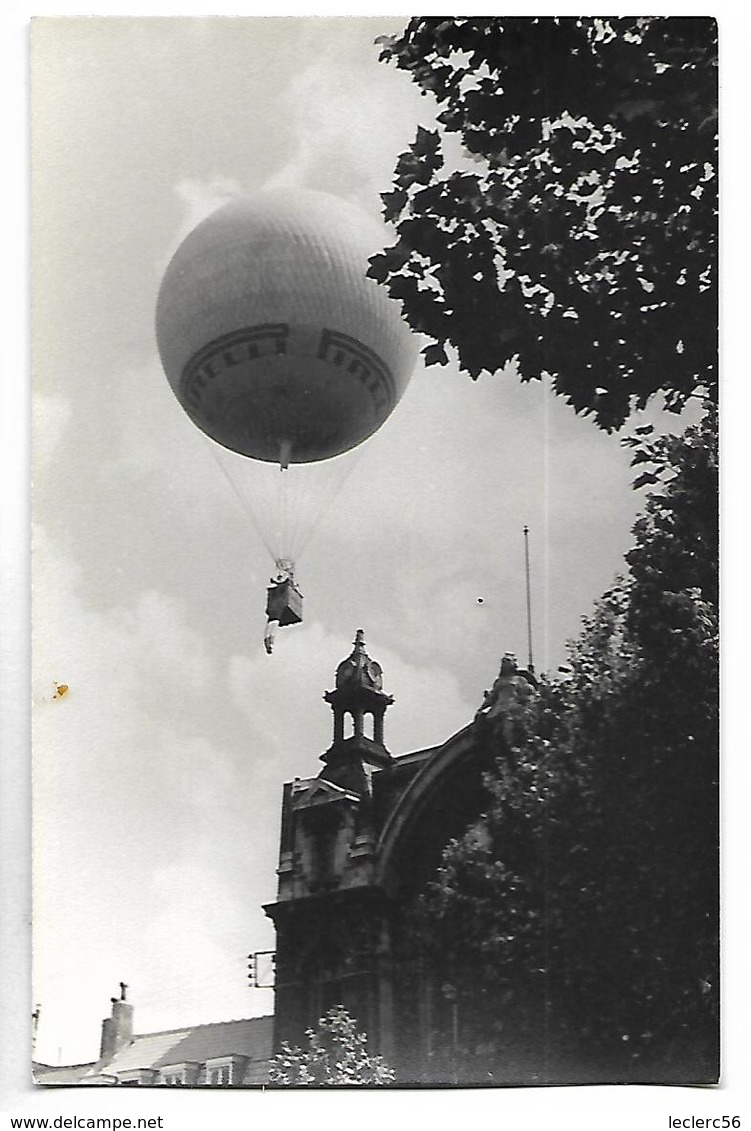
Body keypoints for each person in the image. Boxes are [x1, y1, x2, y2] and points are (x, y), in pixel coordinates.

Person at [264, 558, 302, 654]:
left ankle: (269, 642)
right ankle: (269, 642)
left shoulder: (280, 585)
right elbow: (282, 583)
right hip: (277, 609)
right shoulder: (282, 585)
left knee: (271, 625)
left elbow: (279, 583)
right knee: (272, 625)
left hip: (275, 610)